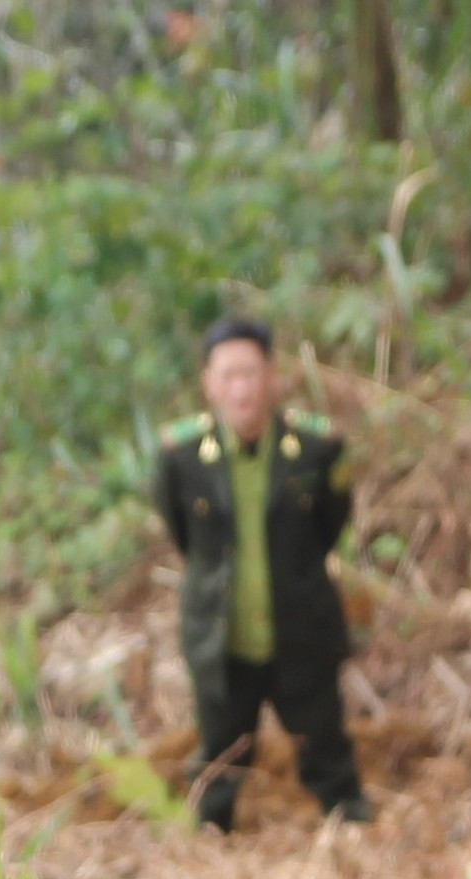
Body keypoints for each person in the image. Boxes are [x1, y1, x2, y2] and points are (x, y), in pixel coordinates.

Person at [152, 318, 367, 832]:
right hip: (224, 635)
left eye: (250, 373)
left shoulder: (316, 449)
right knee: (221, 750)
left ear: (272, 376)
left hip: (301, 626)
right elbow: (186, 539)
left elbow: (329, 527)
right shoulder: (182, 456)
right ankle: (211, 831)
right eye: (228, 376)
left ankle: (351, 822)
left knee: (324, 739)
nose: (241, 388)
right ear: (208, 383)